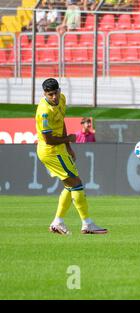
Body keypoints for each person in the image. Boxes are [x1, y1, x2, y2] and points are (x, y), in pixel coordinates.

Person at [35, 78, 108, 235]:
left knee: (71, 185)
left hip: (60, 149)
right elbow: (49, 139)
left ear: (59, 91)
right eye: (50, 95)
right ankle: (87, 223)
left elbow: (61, 123)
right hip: (51, 151)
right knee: (76, 183)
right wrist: (68, 139)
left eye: (55, 93)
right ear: (44, 94)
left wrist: (68, 147)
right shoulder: (44, 112)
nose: (53, 97)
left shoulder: (62, 99)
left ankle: (58, 222)